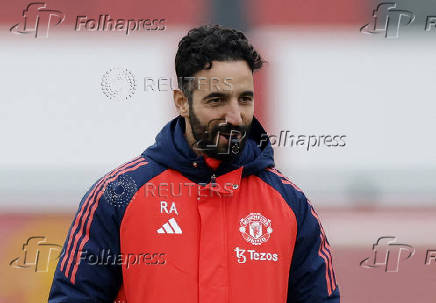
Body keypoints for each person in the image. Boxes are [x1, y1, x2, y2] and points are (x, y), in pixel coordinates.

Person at [49, 24, 340, 303]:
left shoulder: (291, 204)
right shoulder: (118, 194)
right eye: (217, 100)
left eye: (245, 99)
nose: (235, 116)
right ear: (182, 102)